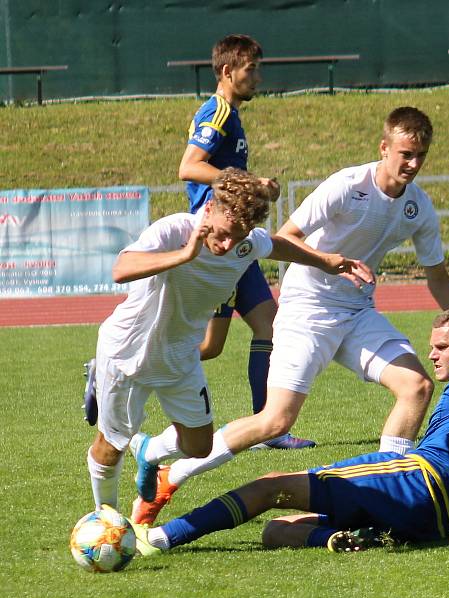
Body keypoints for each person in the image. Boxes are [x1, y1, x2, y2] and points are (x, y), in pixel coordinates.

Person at [128, 106, 449, 525]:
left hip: (357, 311)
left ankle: (381, 489)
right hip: (306, 307)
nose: (413, 164)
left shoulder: (418, 207)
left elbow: (437, 277)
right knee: (275, 421)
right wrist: (329, 262)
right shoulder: (346, 186)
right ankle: (171, 470)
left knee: (415, 386)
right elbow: (285, 236)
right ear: (384, 148)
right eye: (405, 154)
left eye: (420, 156)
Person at [131, 306, 449, 555]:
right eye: (432, 346)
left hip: (416, 480)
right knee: (276, 532)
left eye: (442, 346)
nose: (435, 354)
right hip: (444, 524)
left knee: (267, 487)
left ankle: (159, 538)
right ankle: (338, 538)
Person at [86, 168, 371, 512]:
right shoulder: (175, 229)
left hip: (180, 357)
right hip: (128, 352)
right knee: (111, 445)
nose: (227, 246)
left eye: (238, 238)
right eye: (222, 235)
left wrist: (325, 261)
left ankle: (150, 451)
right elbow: (121, 268)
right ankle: (105, 518)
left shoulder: (246, 242)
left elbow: (276, 244)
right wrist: (184, 255)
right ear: (208, 210)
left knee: (199, 445)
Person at [82, 34, 311, 449]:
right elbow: (189, 167)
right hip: (213, 247)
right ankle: (109, 369)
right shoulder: (218, 112)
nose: (258, 77)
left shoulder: (232, 116)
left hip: (234, 241)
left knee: (255, 329)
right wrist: (248, 182)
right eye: (251, 69)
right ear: (228, 72)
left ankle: (267, 427)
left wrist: (254, 191)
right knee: (209, 343)